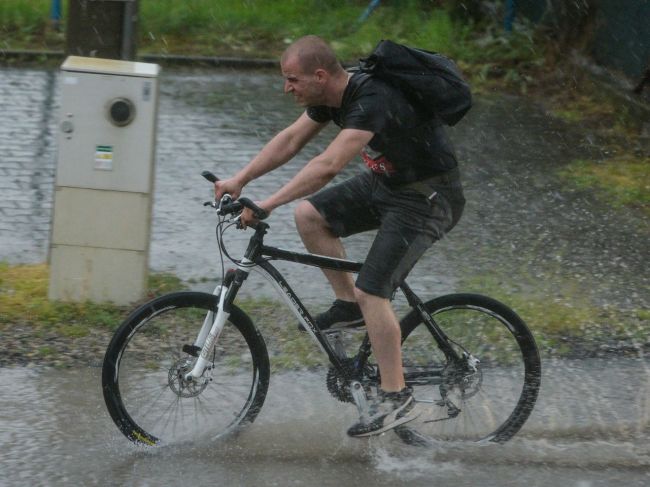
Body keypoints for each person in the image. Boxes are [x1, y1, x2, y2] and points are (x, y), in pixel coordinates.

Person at [214, 35, 465, 437]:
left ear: (319, 75)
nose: (286, 88)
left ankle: (396, 396)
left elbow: (328, 165)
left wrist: (266, 204)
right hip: (389, 185)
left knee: (374, 293)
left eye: (292, 79)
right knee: (311, 216)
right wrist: (239, 179)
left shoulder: (371, 99)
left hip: (428, 198)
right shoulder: (331, 98)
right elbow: (291, 140)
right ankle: (348, 309)